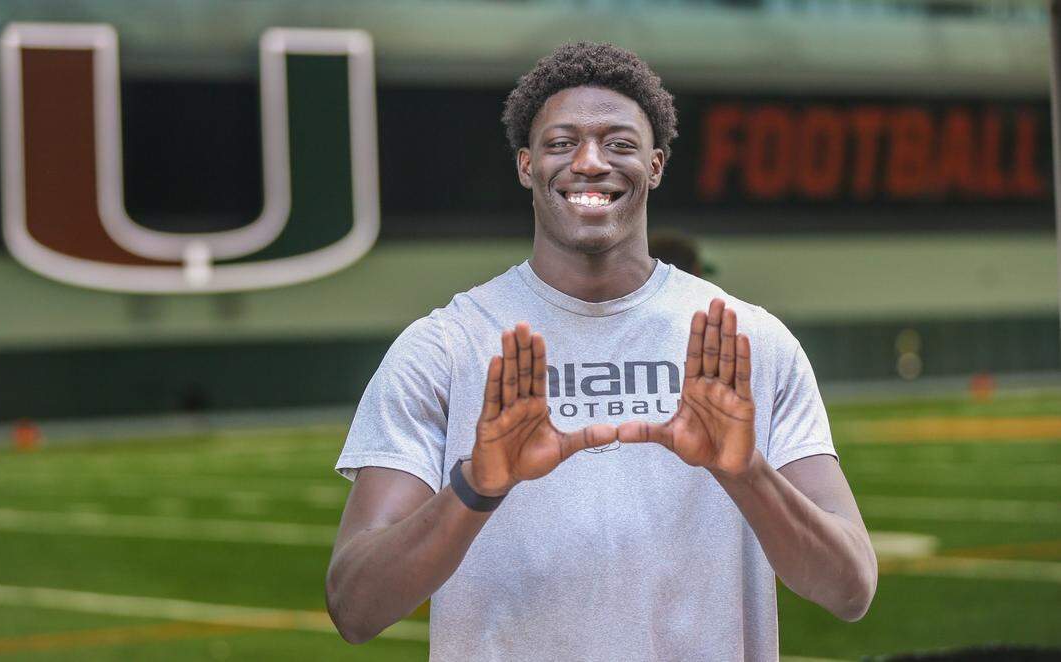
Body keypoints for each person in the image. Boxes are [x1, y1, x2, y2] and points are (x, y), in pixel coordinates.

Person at [326, 42, 876, 661]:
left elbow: (849, 589)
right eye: (562, 143)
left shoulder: (749, 342)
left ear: (657, 164)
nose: (590, 162)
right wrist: (475, 487)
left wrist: (744, 474)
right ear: (526, 165)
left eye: (618, 143)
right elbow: (355, 606)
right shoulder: (444, 347)